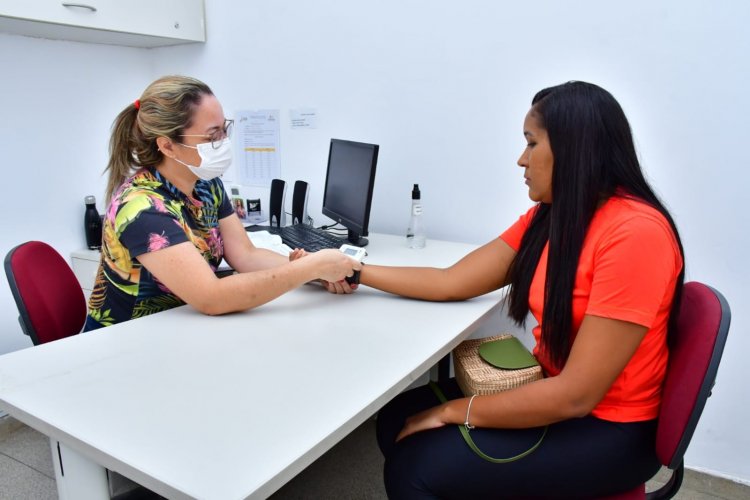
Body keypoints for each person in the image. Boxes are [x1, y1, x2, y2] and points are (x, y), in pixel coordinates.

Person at [360, 81, 685, 498]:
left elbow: (576, 396)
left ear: (573, 149)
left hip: (609, 429)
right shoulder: (553, 216)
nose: (521, 159)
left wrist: (455, 411)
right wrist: (356, 271)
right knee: (396, 418)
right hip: (556, 391)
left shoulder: (635, 234)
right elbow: (451, 281)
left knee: (416, 469)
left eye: (531, 144)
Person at [85, 75, 359, 331]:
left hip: (181, 327)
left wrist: (316, 273)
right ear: (167, 146)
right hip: (129, 339)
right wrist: (307, 269)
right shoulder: (140, 207)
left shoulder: (205, 184)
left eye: (224, 129)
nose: (223, 142)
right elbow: (212, 298)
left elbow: (246, 255)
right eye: (212, 135)